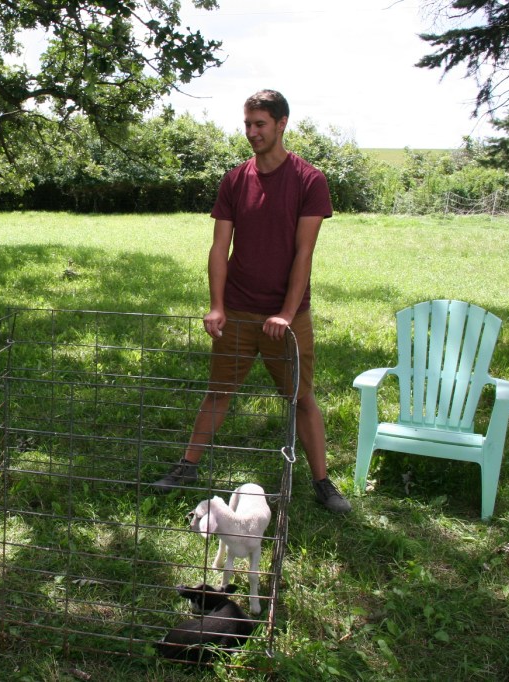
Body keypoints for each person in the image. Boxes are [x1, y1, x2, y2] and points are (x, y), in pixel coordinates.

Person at [151, 90, 351, 514]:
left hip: (288, 316)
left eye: (260, 124)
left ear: (281, 124)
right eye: (247, 124)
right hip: (238, 310)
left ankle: (323, 482)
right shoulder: (235, 179)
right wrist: (217, 305)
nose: (252, 132)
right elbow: (219, 246)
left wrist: (285, 312)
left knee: (301, 398)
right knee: (217, 392)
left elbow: (304, 254)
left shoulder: (309, 180)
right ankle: (187, 466)